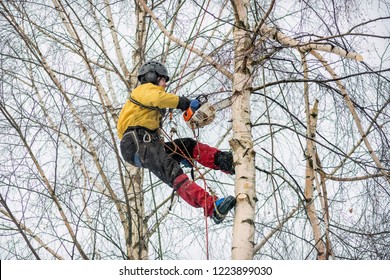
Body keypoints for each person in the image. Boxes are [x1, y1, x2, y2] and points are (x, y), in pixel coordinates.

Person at [117, 61, 236, 224]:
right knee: (171, 170)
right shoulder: (143, 91)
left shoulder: (146, 105)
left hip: (147, 142)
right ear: (152, 77)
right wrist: (185, 102)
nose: (165, 84)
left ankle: (224, 161)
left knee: (186, 145)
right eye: (162, 80)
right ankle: (211, 206)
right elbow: (158, 98)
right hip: (136, 142)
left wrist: (177, 155)